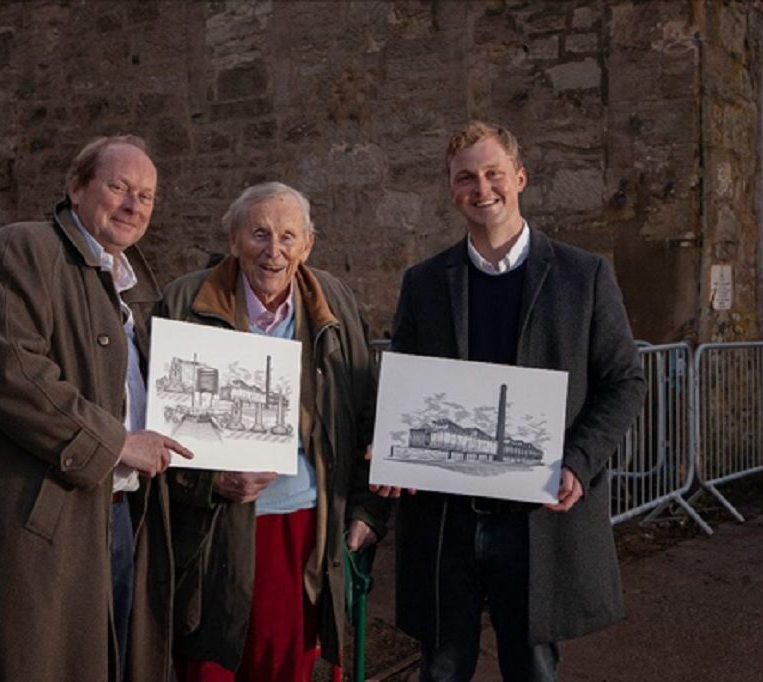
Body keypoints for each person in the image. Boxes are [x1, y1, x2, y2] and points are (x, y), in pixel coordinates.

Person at [378, 121, 645, 681]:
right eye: (466, 178)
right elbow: (403, 382)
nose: (483, 188)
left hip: (536, 522)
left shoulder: (584, 275)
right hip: (446, 519)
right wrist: (392, 446)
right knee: (442, 667)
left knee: (533, 669)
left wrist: (579, 459)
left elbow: (624, 381)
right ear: (452, 191)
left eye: (494, 173)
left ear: (519, 177)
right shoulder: (424, 283)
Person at [0, 135, 192, 682]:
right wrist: (118, 443)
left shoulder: (135, 284)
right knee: (32, 660)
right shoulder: (23, 249)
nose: (134, 204)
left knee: (103, 660)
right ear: (76, 187)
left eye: (147, 195)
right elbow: (13, 376)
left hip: (117, 510)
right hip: (43, 519)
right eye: (117, 187)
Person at [159, 182, 389, 681]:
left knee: (286, 669)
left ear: (308, 244)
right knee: (209, 666)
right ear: (234, 239)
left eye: (288, 236)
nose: (274, 250)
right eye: (259, 234)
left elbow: (367, 410)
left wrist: (369, 508)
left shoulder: (335, 303)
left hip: (303, 526)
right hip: (212, 532)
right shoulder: (182, 301)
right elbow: (151, 430)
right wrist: (211, 483)